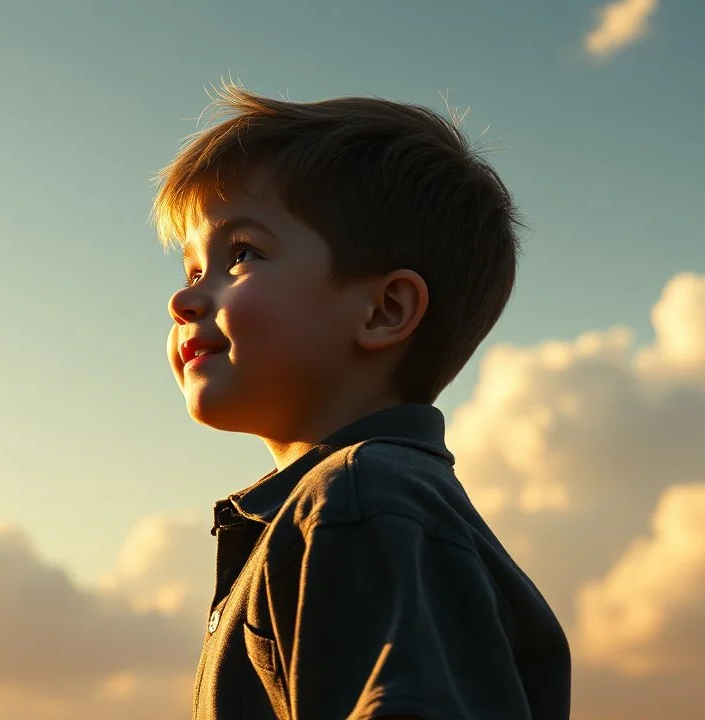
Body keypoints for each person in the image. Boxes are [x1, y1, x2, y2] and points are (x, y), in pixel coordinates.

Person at [152, 82, 571, 719]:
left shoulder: (359, 503)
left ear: (384, 310)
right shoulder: (353, 505)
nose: (184, 301)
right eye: (191, 271)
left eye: (241, 254)